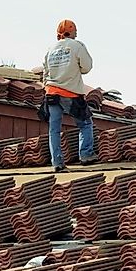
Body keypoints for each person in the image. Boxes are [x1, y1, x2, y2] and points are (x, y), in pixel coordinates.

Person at [43, 19, 96, 172]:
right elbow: (86, 67)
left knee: (54, 130)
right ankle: (86, 155)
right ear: (72, 32)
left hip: (51, 92)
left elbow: (45, 73)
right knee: (85, 123)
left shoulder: (50, 49)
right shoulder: (76, 46)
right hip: (71, 93)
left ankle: (57, 163)